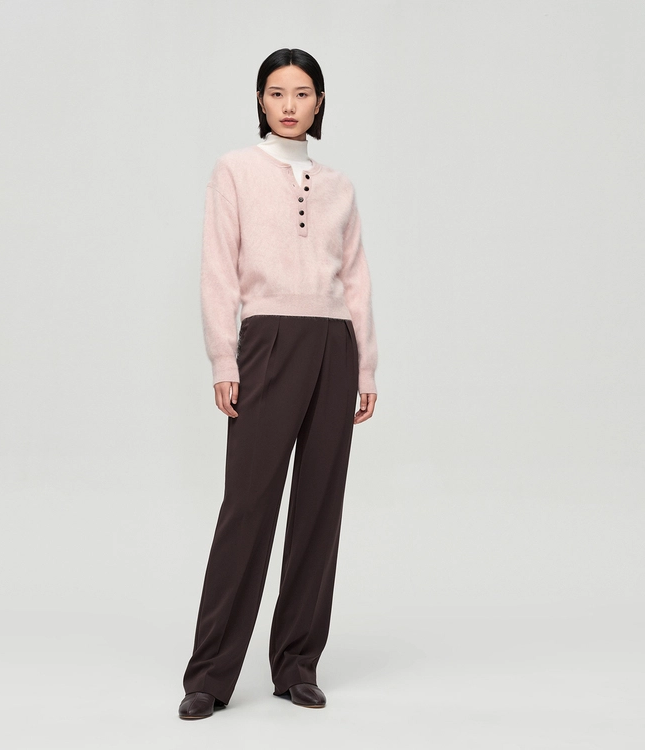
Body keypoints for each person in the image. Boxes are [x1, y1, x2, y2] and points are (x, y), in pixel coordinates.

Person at [179, 48, 379, 720]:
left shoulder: (339, 186)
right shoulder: (234, 170)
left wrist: (366, 366)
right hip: (265, 341)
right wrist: (224, 359)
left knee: (319, 508)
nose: (289, 105)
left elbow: (356, 280)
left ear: (319, 102)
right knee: (248, 507)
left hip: (334, 345)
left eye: (302, 93)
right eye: (276, 92)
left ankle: (297, 664)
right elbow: (218, 268)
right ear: (260, 101)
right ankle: (210, 675)